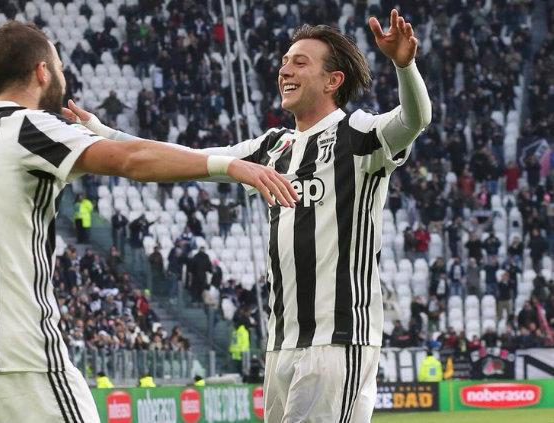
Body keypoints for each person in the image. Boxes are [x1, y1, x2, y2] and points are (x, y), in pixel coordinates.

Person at [0, 22, 298, 423]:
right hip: (14, 362)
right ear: (42, 72)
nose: (62, 75)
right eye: (59, 66)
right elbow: (131, 161)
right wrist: (230, 165)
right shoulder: (28, 127)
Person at [65, 9, 431, 422]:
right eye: (284, 61)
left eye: (299, 62)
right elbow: (195, 160)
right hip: (281, 343)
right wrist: (109, 135)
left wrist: (405, 65)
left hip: (338, 339)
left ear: (333, 81)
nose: (284, 70)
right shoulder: (274, 146)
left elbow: (414, 120)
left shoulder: (359, 134)